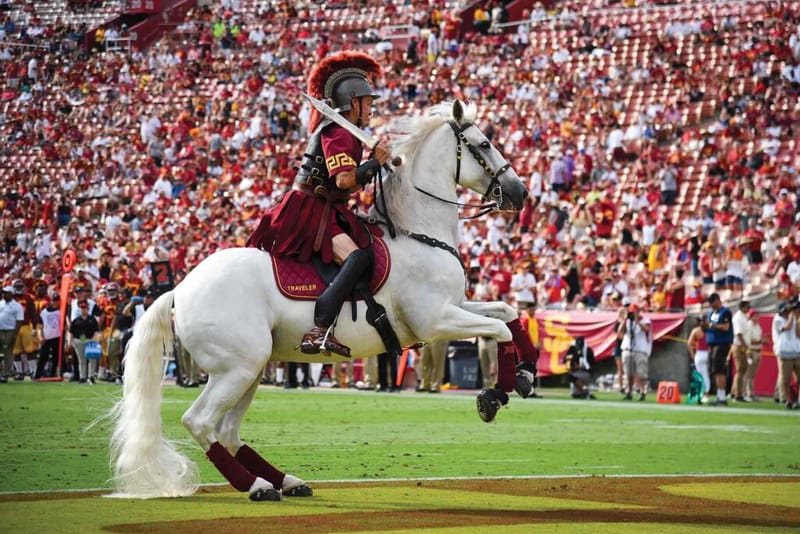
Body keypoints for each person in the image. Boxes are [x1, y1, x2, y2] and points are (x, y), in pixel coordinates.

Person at [247, 51, 392, 358]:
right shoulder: (338, 132)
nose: (371, 108)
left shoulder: (346, 132)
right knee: (356, 258)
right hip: (310, 209)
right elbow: (343, 181)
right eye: (368, 102)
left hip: (327, 208)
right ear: (353, 103)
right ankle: (319, 328)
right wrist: (374, 163)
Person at [702, 292, 733, 406]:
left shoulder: (725, 312)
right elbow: (708, 327)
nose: (710, 304)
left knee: (720, 370)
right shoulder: (710, 313)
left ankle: (722, 396)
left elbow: (726, 327)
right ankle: (719, 395)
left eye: (712, 302)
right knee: (715, 371)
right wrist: (704, 325)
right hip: (712, 343)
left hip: (721, 343)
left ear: (717, 300)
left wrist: (712, 326)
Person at [618, 303, 652, 401]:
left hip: (640, 349)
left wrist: (637, 320)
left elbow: (646, 329)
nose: (633, 314)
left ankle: (642, 391)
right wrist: (624, 320)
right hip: (628, 348)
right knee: (629, 373)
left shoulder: (645, 320)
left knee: (641, 373)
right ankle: (629, 392)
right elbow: (619, 333)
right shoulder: (627, 321)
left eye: (634, 312)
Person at [773, 301, 800, 409]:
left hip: (796, 351)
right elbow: (787, 327)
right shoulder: (777, 319)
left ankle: (797, 399)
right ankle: (787, 399)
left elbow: (798, 334)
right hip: (784, 352)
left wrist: (797, 320)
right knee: (786, 378)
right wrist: (791, 317)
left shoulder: (794, 319)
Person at [11, 278, 39, 380]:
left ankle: (34, 371)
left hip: (25, 326)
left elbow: (33, 313)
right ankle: (19, 372)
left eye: (20, 287)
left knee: (30, 350)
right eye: (17, 287)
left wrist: (35, 328)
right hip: (14, 327)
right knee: (16, 351)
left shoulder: (28, 298)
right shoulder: (9, 299)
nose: (18, 289)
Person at [68, 300, 101, 383]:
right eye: (82, 308)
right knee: (82, 360)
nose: (84, 310)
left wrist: (94, 339)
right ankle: (82, 377)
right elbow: (71, 332)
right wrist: (70, 341)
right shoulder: (76, 320)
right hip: (79, 340)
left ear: (88, 309)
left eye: (85, 308)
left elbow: (96, 330)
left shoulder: (92, 319)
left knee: (92, 359)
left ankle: (91, 376)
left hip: (90, 340)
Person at [0, 286, 24, 383]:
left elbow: (19, 321)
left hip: (10, 330)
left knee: (8, 352)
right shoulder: (1, 303)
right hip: (0, 330)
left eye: (6, 292)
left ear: (11, 294)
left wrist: (14, 334)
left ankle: (5, 374)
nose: (4, 294)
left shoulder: (17, 306)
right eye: (3, 292)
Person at [35, 293, 61, 380]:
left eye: (57, 300)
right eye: (54, 300)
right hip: (46, 337)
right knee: (43, 357)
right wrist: (40, 336)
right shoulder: (44, 312)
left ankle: (53, 374)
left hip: (57, 337)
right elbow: (39, 326)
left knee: (55, 358)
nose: (55, 302)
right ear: (51, 301)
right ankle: (38, 375)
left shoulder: (60, 311)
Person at [687, 315, 711, 404]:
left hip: (700, 353)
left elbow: (689, 344)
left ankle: (702, 394)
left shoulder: (696, 331)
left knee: (701, 375)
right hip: (706, 353)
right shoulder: (710, 329)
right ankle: (705, 394)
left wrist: (693, 355)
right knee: (705, 375)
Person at [730, 301, 751, 402]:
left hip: (741, 345)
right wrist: (745, 347)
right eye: (748, 307)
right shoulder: (739, 317)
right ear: (742, 307)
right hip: (739, 346)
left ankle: (735, 391)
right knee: (740, 370)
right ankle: (738, 394)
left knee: (743, 369)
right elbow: (739, 334)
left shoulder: (743, 317)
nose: (749, 309)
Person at [743, 308, 763, 402]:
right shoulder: (749, 325)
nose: (757, 317)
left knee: (753, 374)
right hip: (751, 351)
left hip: (758, 351)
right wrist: (761, 341)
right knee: (748, 373)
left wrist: (761, 341)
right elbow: (749, 340)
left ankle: (751, 393)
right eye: (755, 315)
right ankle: (745, 393)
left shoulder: (757, 326)